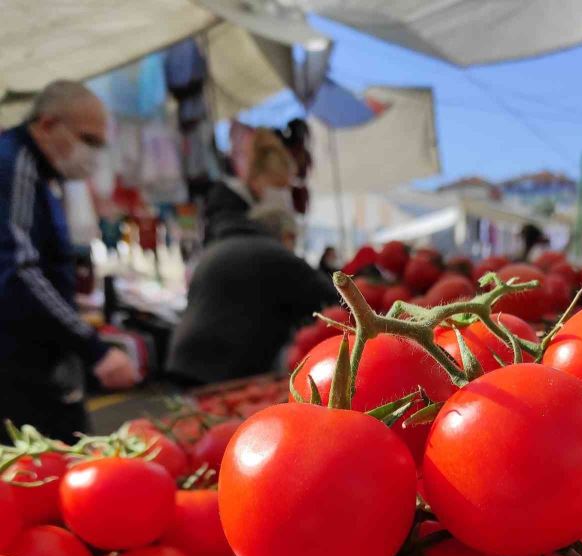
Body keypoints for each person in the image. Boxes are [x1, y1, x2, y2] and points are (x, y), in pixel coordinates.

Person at [0, 81, 138, 442]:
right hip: (16, 369)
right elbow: (19, 271)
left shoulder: (37, 174)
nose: (92, 154)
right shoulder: (16, 164)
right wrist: (92, 348)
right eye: (87, 140)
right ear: (47, 125)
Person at [167, 206, 337, 385]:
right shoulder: (274, 254)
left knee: (191, 410)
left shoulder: (217, 248)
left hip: (184, 356)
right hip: (225, 364)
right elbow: (335, 297)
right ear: (287, 236)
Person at [203, 128, 295, 244]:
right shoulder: (228, 205)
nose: (283, 195)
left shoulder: (248, 204)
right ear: (259, 177)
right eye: (279, 186)